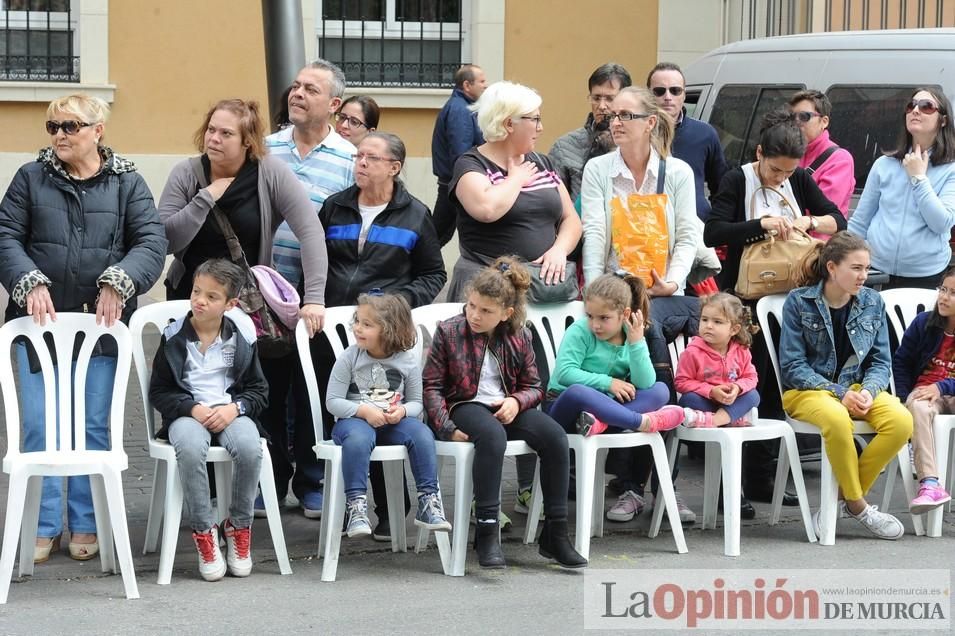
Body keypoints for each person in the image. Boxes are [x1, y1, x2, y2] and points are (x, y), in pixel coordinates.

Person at [0, 93, 167, 564]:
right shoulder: (30, 178)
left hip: (101, 328)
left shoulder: (127, 183)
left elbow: (151, 240)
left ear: (98, 130)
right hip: (39, 327)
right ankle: (43, 524)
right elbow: (6, 235)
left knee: (93, 426)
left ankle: (88, 522)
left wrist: (120, 280)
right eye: (53, 128)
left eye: (69, 126)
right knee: (40, 426)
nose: (59, 136)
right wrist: (26, 280)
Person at [157, 98, 329, 520]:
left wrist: (316, 298)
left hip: (244, 308)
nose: (214, 138)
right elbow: (165, 239)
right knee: (194, 391)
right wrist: (205, 198)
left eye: (226, 133)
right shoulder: (188, 173)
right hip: (190, 300)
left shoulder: (269, 173)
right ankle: (203, 497)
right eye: (211, 129)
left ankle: (247, 493)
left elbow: (310, 232)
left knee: (247, 393)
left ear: (248, 141)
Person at [704, 108, 846, 514]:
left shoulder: (799, 179)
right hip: (745, 300)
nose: (779, 178)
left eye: (786, 173)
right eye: (774, 170)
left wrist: (806, 219)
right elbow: (713, 231)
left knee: (774, 391)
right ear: (760, 152)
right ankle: (729, 487)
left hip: (789, 300)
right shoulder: (737, 178)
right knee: (744, 387)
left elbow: (835, 218)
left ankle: (763, 477)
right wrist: (760, 224)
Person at [580, 86, 702, 523]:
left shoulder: (679, 173)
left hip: (665, 294)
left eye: (625, 116)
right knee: (648, 355)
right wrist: (596, 294)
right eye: (611, 116)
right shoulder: (598, 169)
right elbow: (595, 233)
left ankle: (646, 487)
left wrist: (673, 281)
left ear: (650, 123)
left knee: (648, 334)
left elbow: (688, 235)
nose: (614, 122)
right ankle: (646, 488)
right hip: (617, 294)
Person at [422, 257, 587, 569]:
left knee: (554, 435)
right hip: (464, 405)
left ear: (506, 313)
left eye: (485, 311)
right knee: (492, 436)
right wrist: (445, 427)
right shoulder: (449, 331)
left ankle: (556, 533)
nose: (474, 315)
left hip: (505, 407)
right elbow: (431, 385)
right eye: (471, 306)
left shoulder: (519, 335)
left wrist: (517, 401)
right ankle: (486, 531)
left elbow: (535, 385)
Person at [320, 132, 447, 538]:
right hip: (338, 332)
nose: (361, 163)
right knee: (352, 417)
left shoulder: (414, 214)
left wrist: (395, 304)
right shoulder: (334, 207)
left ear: (394, 167)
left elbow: (433, 275)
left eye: (371, 158)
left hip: (387, 336)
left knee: (389, 410)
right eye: (358, 156)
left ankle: (397, 510)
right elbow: (316, 262)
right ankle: (354, 506)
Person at [264, 60, 356, 519]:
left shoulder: (347, 158)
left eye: (310, 89)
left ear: (334, 105)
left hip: (317, 295)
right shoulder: (265, 149)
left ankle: (312, 480)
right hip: (264, 290)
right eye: (295, 86)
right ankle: (272, 479)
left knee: (313, 388)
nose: (297, 93)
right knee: (268, 388)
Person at [780, 232, 912, 540]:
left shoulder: (872, 302)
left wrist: (867, 391)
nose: (863, 276)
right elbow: (793, 367)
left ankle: (838, 503)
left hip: (857, 389)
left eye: (866, 268)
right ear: (831, 268)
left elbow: (881, 362)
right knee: (838, 419)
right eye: (856, 268)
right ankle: (858, 505)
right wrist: (841, 394)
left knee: (901, 421)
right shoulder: (799, 302)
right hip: (807, 392)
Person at [148, 259, 268, 581]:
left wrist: (236, 408)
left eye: (211, 297)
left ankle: (238, 527)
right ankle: (205, 532)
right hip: (188, 413)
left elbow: (259, 390)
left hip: (229, 410)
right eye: (196, 291)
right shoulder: (174, 336)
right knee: (188, 448)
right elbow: (158, 392)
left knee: (249, 447)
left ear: (230, 305)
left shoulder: (241, 336)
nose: (200, 300)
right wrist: (191, 409)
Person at [326, 292, 451, 538]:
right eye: (357, 321)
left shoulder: (407, 362)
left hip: (392, 424)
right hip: (354, 423)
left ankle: (428, 501)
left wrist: (402, 411)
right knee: (359, 439)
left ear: (390, 329)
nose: (357, 328)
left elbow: (417, 403)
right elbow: (333, 402)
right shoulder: (350, 357)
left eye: (366, 324)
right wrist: (363, 410)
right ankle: (356, 506)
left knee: (422, 433)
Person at [448, 80, 582, 303]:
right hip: (486, 293)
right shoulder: (471, 164)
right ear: (509, 124)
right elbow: (487, 208)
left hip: (540, 289)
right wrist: (516, 179)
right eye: (535, 119)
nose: (541, 128)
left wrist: (559, 250)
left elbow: (571, 220)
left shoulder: (543, 163)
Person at [545, 272, 697, 440]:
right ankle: (640, 421)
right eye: (590, 316)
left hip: (601, 413)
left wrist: (636, 344)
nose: (595, 324)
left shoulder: (631, 334)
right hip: (564, 407)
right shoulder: (580, 330)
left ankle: (600, 424)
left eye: (604, 318)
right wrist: (608, 383)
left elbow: (644, 383)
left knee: (660, 390)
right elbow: (564, 373)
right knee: (578, 392)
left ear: (624, 314)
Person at [847, 87, 955, 289]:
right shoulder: (884, 164)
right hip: (875, 272)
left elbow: (942, 223)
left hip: (927, 276)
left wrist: (919, 178)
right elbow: (860, 222)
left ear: (943, 120)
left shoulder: (951, 169)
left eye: (926, 107)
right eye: (911, 105)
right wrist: (844, 260)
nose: (915, 110)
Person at [891, 266, 955, 513]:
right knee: (917, 403)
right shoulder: (923, 324)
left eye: (952, 293)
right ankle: (930, 484)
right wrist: (904, 395)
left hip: (948, 391)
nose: (944, 297)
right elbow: (901, 362)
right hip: (925, 394)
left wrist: (942, 386)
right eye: (943, 289)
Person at [647, 62, 727, 221]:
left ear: (684, 95)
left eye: (675, 91)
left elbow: (721, 189)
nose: (668, 97)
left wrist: (713, 223)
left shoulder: (705, 134)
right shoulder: (637, 132)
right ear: (648, 95)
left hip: (695, 229)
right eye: (659, 91)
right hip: (648, 228)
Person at [675, 293, 761, 428]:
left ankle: (711, 420)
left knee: (753, 396)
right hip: (705, 401)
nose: (708, 325)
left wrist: (737, 388)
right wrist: (711, 391)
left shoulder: (741, 350)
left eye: (717, 322)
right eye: (704, 319)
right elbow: (681, 382)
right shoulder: (692, 352)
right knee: (688, 399)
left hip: (732, 401)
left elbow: (751, 377)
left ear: (734, 329)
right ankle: (733, 418)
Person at [550, 63, 632, 204]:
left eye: (609, 99)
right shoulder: (564, 147)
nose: (601, 106)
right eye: (596, 98)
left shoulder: (638, 145)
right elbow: (553, 203)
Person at [431, 63, 487, 246]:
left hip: (453, 183)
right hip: (455, 184)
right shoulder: (460, 110)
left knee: (438, 235)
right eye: (481, 81)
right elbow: (461, 153)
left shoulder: (463, 107)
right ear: (466, 85)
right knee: (435, 236)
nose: (485, 85)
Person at [788, 89, 856, 231]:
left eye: (804, 116)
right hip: (785, 245)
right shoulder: (787, 154)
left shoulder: (839, 160)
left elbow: (827, 213)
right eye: (792, 117)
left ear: (824, 121)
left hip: (816, 247)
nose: (796, 122)